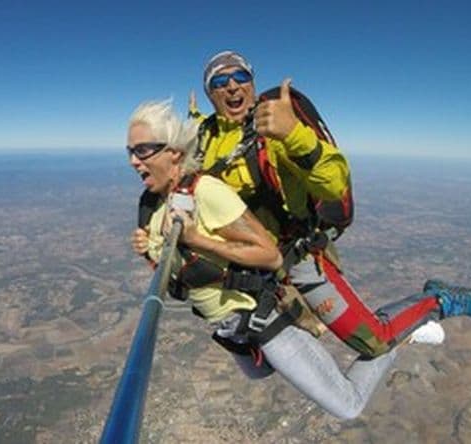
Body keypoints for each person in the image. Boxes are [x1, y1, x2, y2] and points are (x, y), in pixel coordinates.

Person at [126, 99, 422, 419]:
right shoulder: (152, 204)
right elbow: (178, 272)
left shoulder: (206, 193)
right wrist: (150, 249)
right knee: (260, 372)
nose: (133, 161)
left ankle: (409, 327)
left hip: (262, 321)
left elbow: (268, 255)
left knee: (347, 405)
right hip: (231, 327)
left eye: (142, 150)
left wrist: (197, 239)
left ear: (174, 152)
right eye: (130, 151)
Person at [184, 50, 471, 357]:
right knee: (279, 348)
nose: (232, 86)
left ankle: (440, 299)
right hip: (255, 266)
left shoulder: (273, 133)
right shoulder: (205, 137)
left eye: (241, 77)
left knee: (374, 341)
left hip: (297, 259)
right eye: (220, 81)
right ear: (211, 93)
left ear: (252, 82)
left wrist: (293, 135)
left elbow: (334, 184)